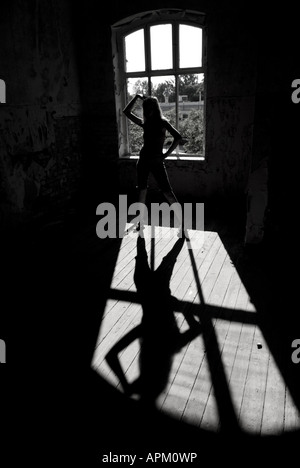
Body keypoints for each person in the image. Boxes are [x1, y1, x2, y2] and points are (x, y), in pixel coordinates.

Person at [123, 94, 186, 235]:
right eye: (146, 107)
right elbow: (126, 112)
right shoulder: (145, 123)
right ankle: (140, 222)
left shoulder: (163, 122)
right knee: (142, 190)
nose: (149, 110)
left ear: (156, 108)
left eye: (151, 107)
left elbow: (178, 137)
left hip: (156, 161)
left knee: (167, 192)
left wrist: (164, 155)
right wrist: (136, 97)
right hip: (144, 160)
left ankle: (182, 224)